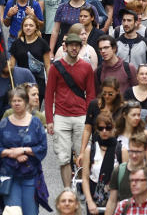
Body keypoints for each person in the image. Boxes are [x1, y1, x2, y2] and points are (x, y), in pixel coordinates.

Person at [45, 32, 95, 188]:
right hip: (61, 115)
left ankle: (81, 187)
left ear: (80, 47)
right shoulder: (55, 68)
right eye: (71, 45)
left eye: (77, 45)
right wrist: (49, 120)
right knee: (63, 157)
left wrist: (90, 118)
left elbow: (91, 95)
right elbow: (49, 94)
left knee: (82, 156)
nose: (74, 48)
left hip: (81, 116)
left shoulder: (86, 67)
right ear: (65, 47)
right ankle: (67, 189)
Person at [0, 87, 49, 215]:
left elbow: (43, 148)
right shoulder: (4, 123)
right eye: (13, 100)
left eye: (19, 100)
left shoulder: (36, 123)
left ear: (26, 102)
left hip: (30, 175)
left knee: (30, 212)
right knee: (13, 212)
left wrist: (24, 150)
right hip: (8, 175)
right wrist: (12, 154)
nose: (16, 103)